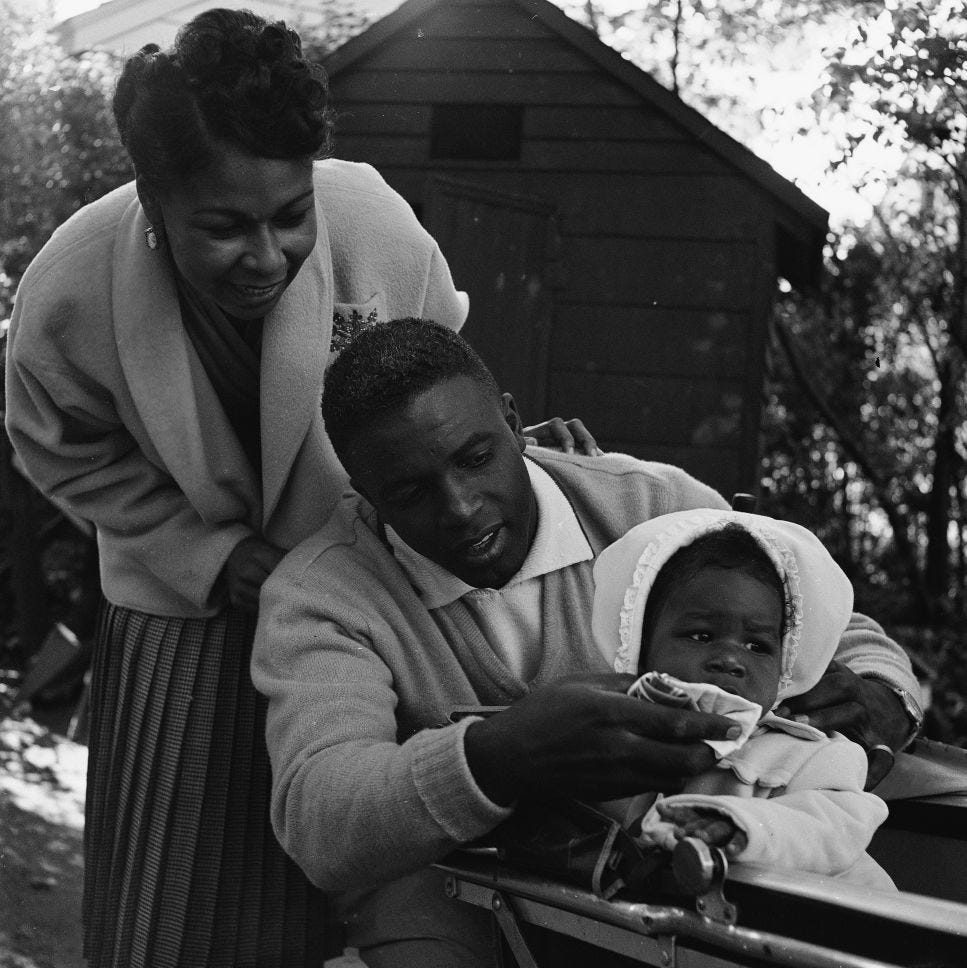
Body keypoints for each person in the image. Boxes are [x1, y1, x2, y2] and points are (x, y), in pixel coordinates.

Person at [2, 11, 588, 966]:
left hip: (364, 604)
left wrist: (525, 452)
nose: (268, 257)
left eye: (288, 217)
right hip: (184, 622)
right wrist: (205, 556)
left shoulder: (374, 225)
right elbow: (61, 446)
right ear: (152, 200)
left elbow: (436, 378)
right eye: (226, 228)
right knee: (180, 907)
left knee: (369, 864)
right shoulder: (71, 287)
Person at [252, 318, 921, 967]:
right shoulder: (323, 595)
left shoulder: (653, 508)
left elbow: (836, 624)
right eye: (409, 491)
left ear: (514, 424)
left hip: (683, 868)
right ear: (363, 494)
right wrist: (497, 758)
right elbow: (320, 813)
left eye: (476, 458)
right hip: (449, 889)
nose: (459, 506)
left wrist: (879, 691)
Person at [591, 509, 895, 889]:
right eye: (701, 635)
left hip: (841, 929)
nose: (732, 660)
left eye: (757, 645)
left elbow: (833, 828)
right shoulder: (612, 738)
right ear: (639, 645)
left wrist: (733, 826)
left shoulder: (811, 752)